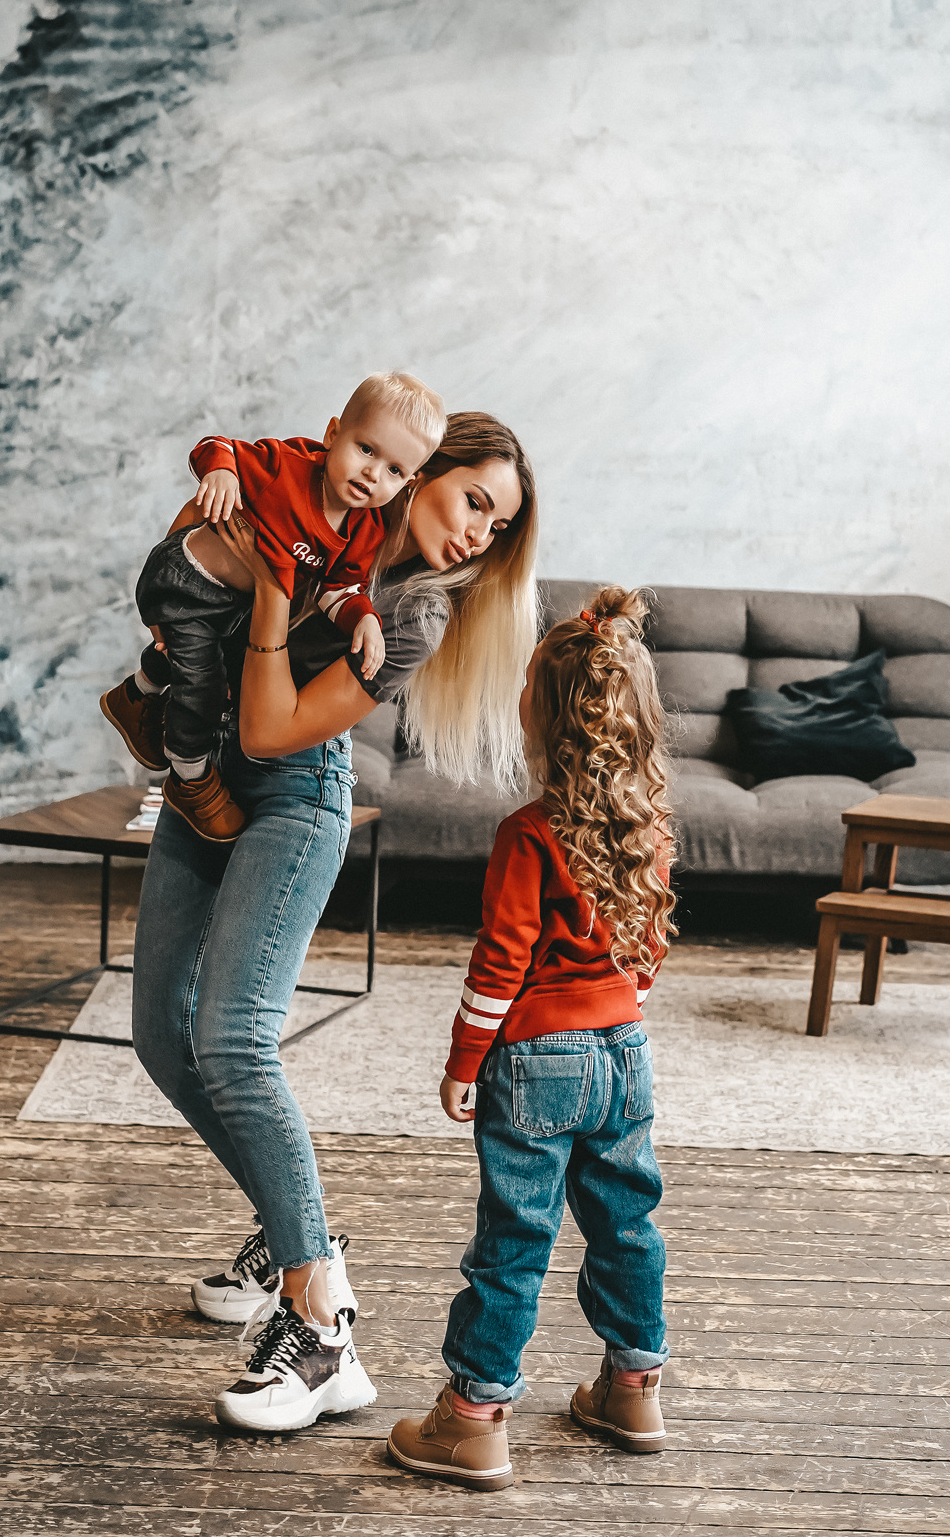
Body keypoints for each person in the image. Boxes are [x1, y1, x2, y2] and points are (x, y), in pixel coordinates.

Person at [129, 411, 538, 1434]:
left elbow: (275, 725)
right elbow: (188, 557)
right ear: (420, 472)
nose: (477, 534)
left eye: (496, 527)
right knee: (155, 1032)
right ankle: (288, 1224)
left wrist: (271, 585)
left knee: (233, 1040)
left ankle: (325, 1334)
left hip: (294, 794)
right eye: (473, 500)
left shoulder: (412, 617)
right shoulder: (318, 505)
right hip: (205, 779)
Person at [387, 587, 676, 1490]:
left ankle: (472, 1419)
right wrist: (619, 1004)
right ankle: (634, 1387)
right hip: (624, 1050)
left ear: (540, 720)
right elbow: (649, 944)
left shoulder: (527, 833)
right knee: (627, 1223)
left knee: (516, 1237)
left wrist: (463, 1061)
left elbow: (499, 964)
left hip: (533, 1062)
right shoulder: (652, 828)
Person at [100, 372, 446, 841]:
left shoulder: (364, 533)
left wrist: (363, 617)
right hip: (187, 579)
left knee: (216, 670)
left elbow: (338, 589)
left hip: (231, 606)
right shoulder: (287, 467)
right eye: (366, 450)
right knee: (203, 688)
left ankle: (134, 696)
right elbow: (217, 446)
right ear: (332, 434)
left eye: (394, 471)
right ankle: (189, 779)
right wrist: (221, 473)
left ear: (408, 482)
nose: (372, 473)